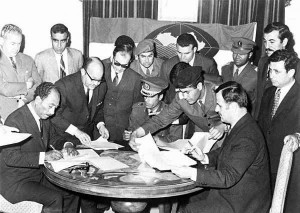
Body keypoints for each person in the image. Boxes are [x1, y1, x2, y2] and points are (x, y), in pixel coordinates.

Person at [172, 81, 271, 213]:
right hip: (234, 193)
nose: (217, 109)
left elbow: (227, 177)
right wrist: (204, 157)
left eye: (219, 105)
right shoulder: (242, 124)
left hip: (242, 203)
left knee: (189, 209)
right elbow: (226, 151)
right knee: (187, 199)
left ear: (234, 107)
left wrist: (191, 173)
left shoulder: (247, 137)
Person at [0, 82, 79, 213]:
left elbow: (53, 138)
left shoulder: (44, 117)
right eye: (50, 106)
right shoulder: (15, 120)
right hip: (16, 181)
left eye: (55, 107)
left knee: (72, 191)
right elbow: (10, 158)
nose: (52, 112)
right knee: (55, 198)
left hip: (37, 175)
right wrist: (44, 156)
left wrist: (67, 144)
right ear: (37, 100)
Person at [129, 66, 226, 151]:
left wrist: (223, 126)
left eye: (187, 92)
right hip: (205, 140)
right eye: (180, 91)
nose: (183, 96)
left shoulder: (220, 92)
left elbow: (239, 116)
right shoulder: (181, 97)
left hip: (228, 138)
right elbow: (160, 120)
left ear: (199, 86)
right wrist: (136, 133)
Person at [258, 49, 300, 213]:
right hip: (265, 164)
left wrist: (297, 136)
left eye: (277, 71)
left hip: (290, 167)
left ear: (291, 72)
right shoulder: (269, 93)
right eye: (270, 70)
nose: (271, 75)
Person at [51, 57, 108, 148]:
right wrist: (76, 131)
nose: (96, 83)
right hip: (63, 139)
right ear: (83, 72)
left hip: (87, 139)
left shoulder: (102, 86)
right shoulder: (64, 86)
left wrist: (101, 125)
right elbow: (54, 116)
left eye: (99, 80)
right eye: (93, 79)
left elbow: (99, 109)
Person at [254, 22, 300, 119]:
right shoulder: (263, 61)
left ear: (284, 42)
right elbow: (259, 96)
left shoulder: (296, 65)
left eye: (271, 42)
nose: (267, 47)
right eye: (265, 41)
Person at [160, 33, 220, 103]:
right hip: (176, 107)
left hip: (201, 108)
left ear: (194, 50)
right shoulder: (167, 66)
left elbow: (215, 87)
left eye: (187, 53)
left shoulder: (208, 63)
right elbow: (163, 92)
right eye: (179, 52)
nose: (182, 57)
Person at [103, 44, 143, 147]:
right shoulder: (101, 71)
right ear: (112, 57)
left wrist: (131, 130)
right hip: (99, 130)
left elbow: (137, 109)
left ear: (129, 62)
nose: (119, 68)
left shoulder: (136, 79)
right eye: (117, 63)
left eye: (124, 65)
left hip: (122, 133)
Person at [0, 24, 42, 120]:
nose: (17, 48)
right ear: (1, 41)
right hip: (3, 114)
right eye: (13, 44)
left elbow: (38, 84)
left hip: (26, 111)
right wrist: (27, 85)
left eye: (19, 44)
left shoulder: (27, 59)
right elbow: (3, 87)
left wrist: (25, 99)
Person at [123, 77, 182, 143]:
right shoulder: (137, 110)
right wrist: (128, 135)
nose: (146, 100)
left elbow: (176, 139)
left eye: (151, 97)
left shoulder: (170, 112)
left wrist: (155, 139)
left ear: (160, 97)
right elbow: (131, 129)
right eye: (145, 96)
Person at [221, 37, 257, 112]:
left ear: (250, 54)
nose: (237, 57)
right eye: (235, 52)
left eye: (242, 54)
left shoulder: (256, 74)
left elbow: (256, 102)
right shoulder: (225, 69)